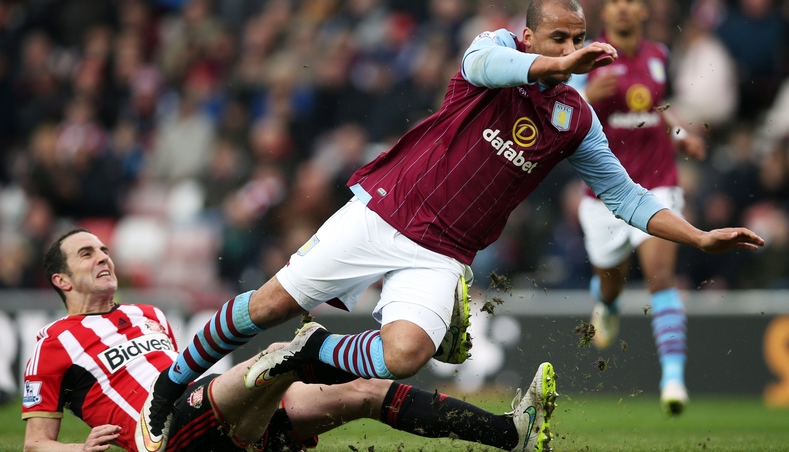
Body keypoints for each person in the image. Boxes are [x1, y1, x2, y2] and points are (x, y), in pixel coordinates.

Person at [141, 0, 765, 450]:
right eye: (557, 38)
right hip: (383, 211)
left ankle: (312, 350)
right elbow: (490, 65)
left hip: (443, 252)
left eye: (577, 38)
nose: (568, 49)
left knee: (404, 356)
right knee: (271, 304)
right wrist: (549, 66)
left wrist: (698, 235)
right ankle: (169, 388)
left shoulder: (576, 119)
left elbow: (626, 196)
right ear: (528, 35)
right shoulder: (491, 52)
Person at [22, 228, 558, 452]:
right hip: (159, 438)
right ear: (61, 280)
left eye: (103, 249)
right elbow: (34, 444)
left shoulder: (148, 313)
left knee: (365, 392)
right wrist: (78, 449)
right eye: (87, 254)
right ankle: (312, 352)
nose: (103, 257)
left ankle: (511, 433)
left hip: (218, 414)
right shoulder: (52, 342)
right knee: (278, 358)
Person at [567, 0, 705, 416]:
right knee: (612, 284)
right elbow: (560, 111)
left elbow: (659, 109)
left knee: (661, 276)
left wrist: (681, 135)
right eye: (614, 2)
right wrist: (587, 95)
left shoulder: (659, 54)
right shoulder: (586, 58)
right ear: (605, 12)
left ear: (644, 11)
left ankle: (673, 379)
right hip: (606, 191)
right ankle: (607, 305)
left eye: (630, 1)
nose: (623, 9)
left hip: (658, 183)